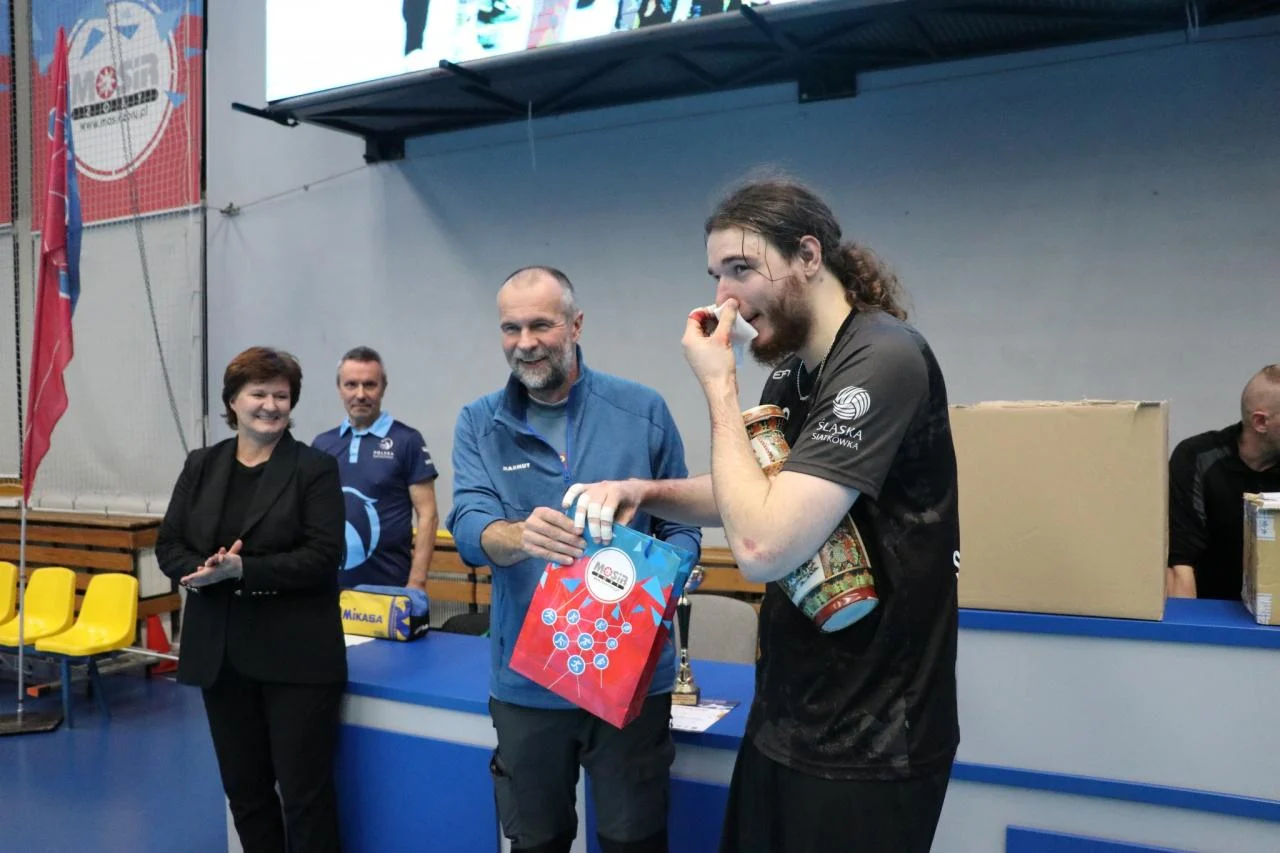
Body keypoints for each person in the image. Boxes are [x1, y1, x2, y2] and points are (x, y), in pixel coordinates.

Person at [562, 178, 960, 853]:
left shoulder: (882, 358)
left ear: (808, 255)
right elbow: (755, 495)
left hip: (872, 739)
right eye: (716, 276)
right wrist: (644, 491)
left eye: (742, 269)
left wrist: (720, 385)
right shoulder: (792, 374)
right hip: (787, 717)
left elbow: (761, 543)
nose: (725, 298)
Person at [446, 266, 701, 853]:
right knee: (537, 840)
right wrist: (517, 536)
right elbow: (470, 529)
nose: (525, 342)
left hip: (631, 680)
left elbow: (682, 526)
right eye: (511, 328)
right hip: (527, 684)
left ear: (576, 325)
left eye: (541, 325)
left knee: (634, 839)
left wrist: (658, 578)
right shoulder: (478, 423)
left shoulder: (643, 410)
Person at [156, 347, 346, 853]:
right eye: (258, 393)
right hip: (221, 658)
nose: (270, 405)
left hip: (297, 660)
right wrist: (200, 571)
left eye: (281, 396)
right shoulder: (201, 464)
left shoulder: (315, 468)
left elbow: (324, 555)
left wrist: (245, 570)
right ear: (233, 401)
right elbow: (169, 544)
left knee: (305, 797)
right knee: (245, 793)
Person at [313, 346, 439, 592]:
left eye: (369, 385)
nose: (360, 394)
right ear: (339, 388)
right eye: (351, 385)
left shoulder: (407, 441)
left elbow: (428, 515)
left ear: (383, 388)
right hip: (330, 590)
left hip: (390, 589)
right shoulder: (323, 444)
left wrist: (416, 583)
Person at [1168, 364, 1280, 599]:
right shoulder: (1197, 457)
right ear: (1261, 422)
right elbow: (1181, 563)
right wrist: (1189, 622)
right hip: (1210, 608)